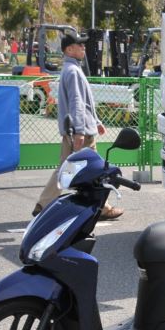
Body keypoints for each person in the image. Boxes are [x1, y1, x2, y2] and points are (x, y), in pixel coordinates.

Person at [33, 33, 123, 220]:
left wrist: (95, 122)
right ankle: (103, 209)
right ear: (69, 49)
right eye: (79, 45)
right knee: (95, 169)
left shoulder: (70, 69)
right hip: (80, 131)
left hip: (76, 129)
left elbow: (83, 101)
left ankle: (45, 204)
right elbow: (77, 102)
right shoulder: (73, 71)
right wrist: (80, 130)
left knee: (66, 168)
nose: (83, 48)